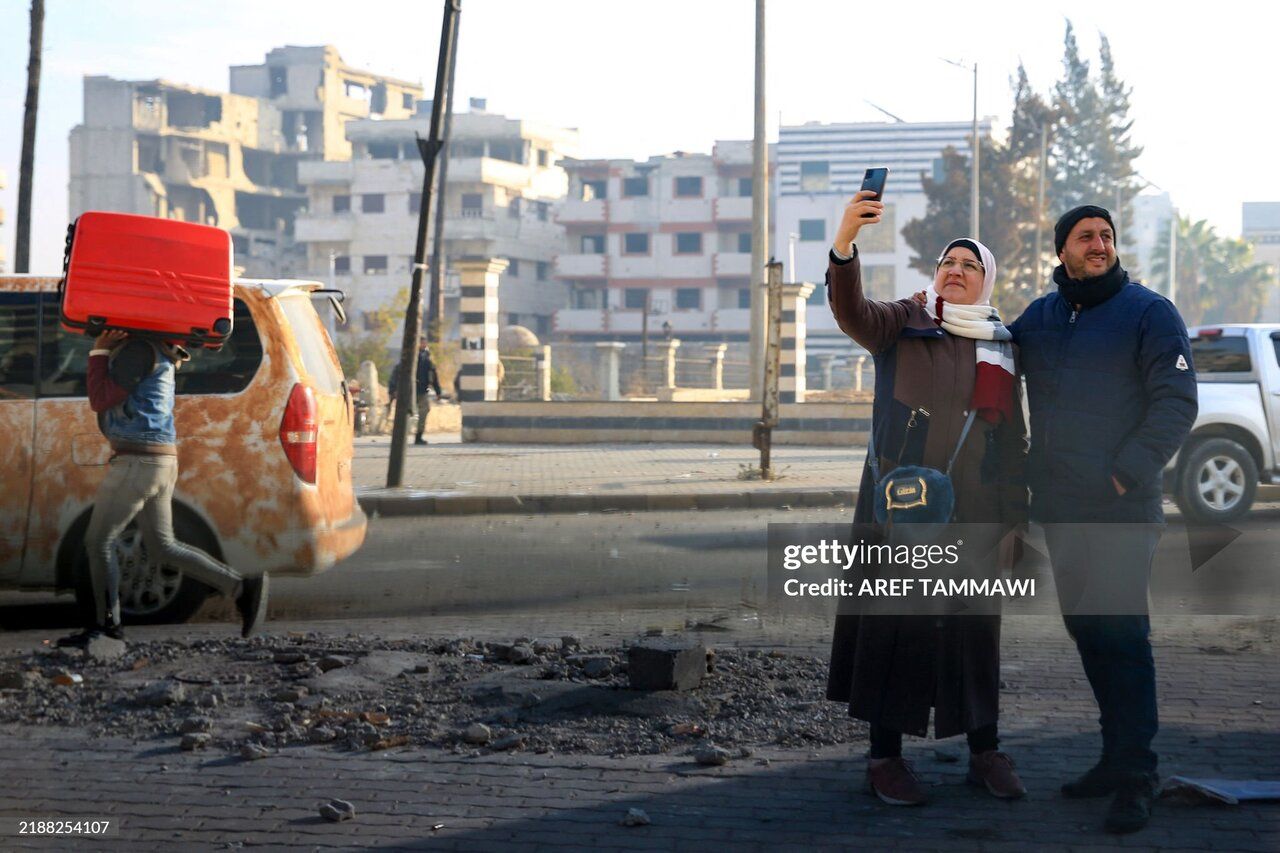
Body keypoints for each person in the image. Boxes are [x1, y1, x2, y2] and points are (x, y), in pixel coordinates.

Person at [824, 190, 1029, 806]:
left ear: (985, 279)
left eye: (969, 266)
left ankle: (983, 752)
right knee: (896, 629)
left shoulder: (1001, 343)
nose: (956, 272)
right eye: (948, 264)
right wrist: (843, 244)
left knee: (973, 634)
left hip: (975, 513)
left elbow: (1013, 440)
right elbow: (851, 310)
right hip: (901, 514)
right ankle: (884, 760)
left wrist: (1015, 521)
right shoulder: (902, 322)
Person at [1008, 205, 1197, 834]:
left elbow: (1176, 402)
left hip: (1121, 507)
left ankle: (1138, 773)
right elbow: (988, 357)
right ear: (1061, 249)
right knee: (1089, 632)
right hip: (1061, 508)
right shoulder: (1040, 318)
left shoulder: (1148, 312)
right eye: (1086, 237)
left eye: (1107, 236)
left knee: (1122, 635)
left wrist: (1123, 474)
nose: (1100, 244)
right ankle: (1115, 759)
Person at [57, 330, 267, 647]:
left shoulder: (138, 350)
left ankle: (105, 628)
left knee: (99, 541)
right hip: (159, 460)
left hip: (137, 462)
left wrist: (98, 352)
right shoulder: (160, 349)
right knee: (162, 546)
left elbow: (100, 399)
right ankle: (240, 587)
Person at [389, 338, 444, 445]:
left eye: (424, 343)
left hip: (422, 391)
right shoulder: (409, 356)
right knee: (406, 412)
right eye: (421, 342)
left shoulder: (426, 358)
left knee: (423, 411)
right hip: (409, 391)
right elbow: (397, 373)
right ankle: (400, 437)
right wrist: (393, 389)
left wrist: (438, 391)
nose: (423, 344)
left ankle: (418, 436)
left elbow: (433, 375)